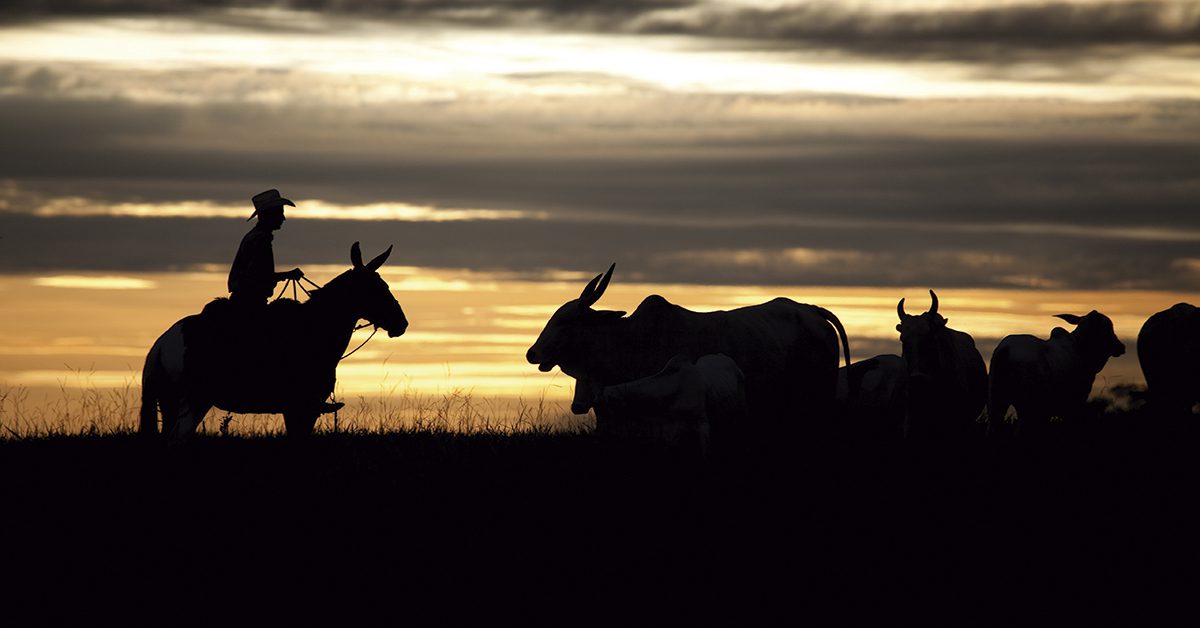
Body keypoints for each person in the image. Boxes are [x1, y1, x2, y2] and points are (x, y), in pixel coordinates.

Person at [228, 189, 305, 306]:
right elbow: (259, 277)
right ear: (269, 215)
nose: (283, 218)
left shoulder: (254, 236)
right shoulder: (260, 239)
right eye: (280, 213)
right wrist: (288, 275)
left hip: (244, 299)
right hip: (250, 303)